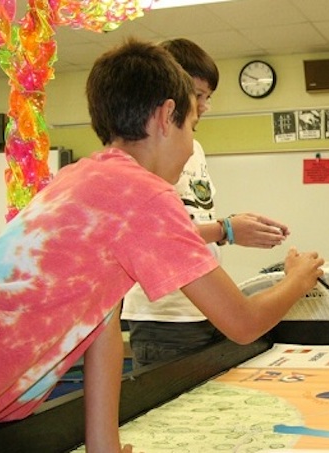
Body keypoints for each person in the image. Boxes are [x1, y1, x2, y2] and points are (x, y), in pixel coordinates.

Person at [0, 39, 324, 452]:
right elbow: (243, 323)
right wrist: (297, 278)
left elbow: (103, 323)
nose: (190, 148)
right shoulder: (143, 194)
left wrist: (106, 447)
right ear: (167, 116)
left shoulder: (79, 179)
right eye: (192, 127)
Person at [120, 38, 289, 369]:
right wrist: (226, 230)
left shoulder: (193, 149)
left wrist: (229, 227)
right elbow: (155, 238)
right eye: (196, 95)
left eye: (206, 98)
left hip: (202, 308)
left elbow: (188, 220)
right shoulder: (146, 153)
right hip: (165, 317)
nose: (203, 106)